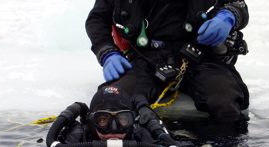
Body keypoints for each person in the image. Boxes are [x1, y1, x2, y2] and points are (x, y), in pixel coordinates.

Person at [0, 86, 245, 147]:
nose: (114, 130)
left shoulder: (142, 137)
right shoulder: (75, 138)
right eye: (103, 121)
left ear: (134, 121)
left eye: (122, 120)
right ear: (90, 122)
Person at [85, 0, 250, 122]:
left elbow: (238, 5)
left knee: (225, 99)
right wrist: (106, 52)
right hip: (146, 57)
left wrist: (228, 16)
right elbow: (97, 19)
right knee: (113, 104)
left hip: (200, 53)